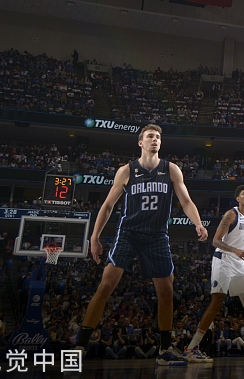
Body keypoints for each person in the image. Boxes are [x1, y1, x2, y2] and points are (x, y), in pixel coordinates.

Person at [74, 124, 208, 366]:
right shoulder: (126, 171)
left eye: (158, 137)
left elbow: (186, 200)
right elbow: (107, 206)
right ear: (141, 143)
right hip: (129, 233)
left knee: (167, 291)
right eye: (150, 136)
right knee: (106, 285)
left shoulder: (171, 169)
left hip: (157, 235)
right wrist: (94, 237)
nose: (155, 139)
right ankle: (81, 343)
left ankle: (165, 349)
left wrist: (197, 223)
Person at [185, 185, 244, 362]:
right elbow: (215, 241)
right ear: (238, 198)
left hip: (240, 263)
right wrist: (235, 250)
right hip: (223, 260)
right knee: (217, 302)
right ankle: (191, 348)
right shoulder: (230, 214)